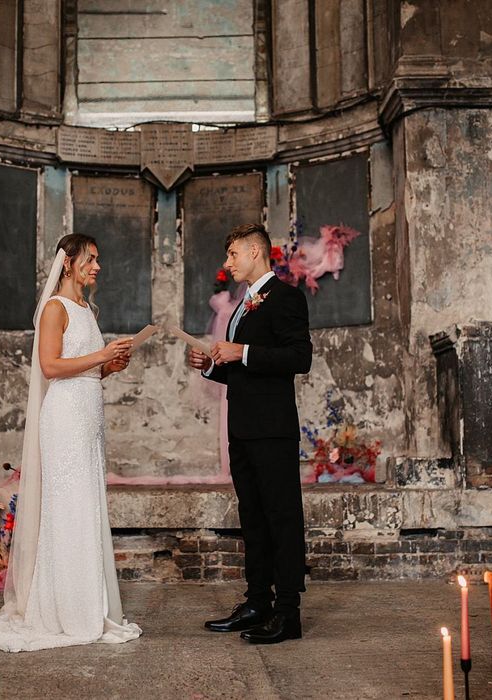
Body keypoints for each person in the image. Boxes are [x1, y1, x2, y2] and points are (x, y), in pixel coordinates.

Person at [0, 234, 142, 652]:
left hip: (88, 418)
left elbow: (87, 371)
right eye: (91, 259)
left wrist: (110, 365)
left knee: (86, 508)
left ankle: (89, 605)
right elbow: (52, 366)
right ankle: (64, 611)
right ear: (68, 262)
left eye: (98, 260)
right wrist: (101, 355)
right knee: (67, 509)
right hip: (64, 418)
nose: (97, 267)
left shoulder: (87, 309)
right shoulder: (54, 308)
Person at [189, 223, 312, 644]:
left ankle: (288, 613)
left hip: (273, 430)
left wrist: (239, 351)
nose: (227, 264)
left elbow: (299, 356)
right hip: (242, 429)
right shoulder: (244, 305)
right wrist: (210, 364)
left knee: (282, 517)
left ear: (256, 253)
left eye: (233, 255)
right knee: (253, 519)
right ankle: (257, 601)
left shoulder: (286, 297)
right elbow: (246, 374)